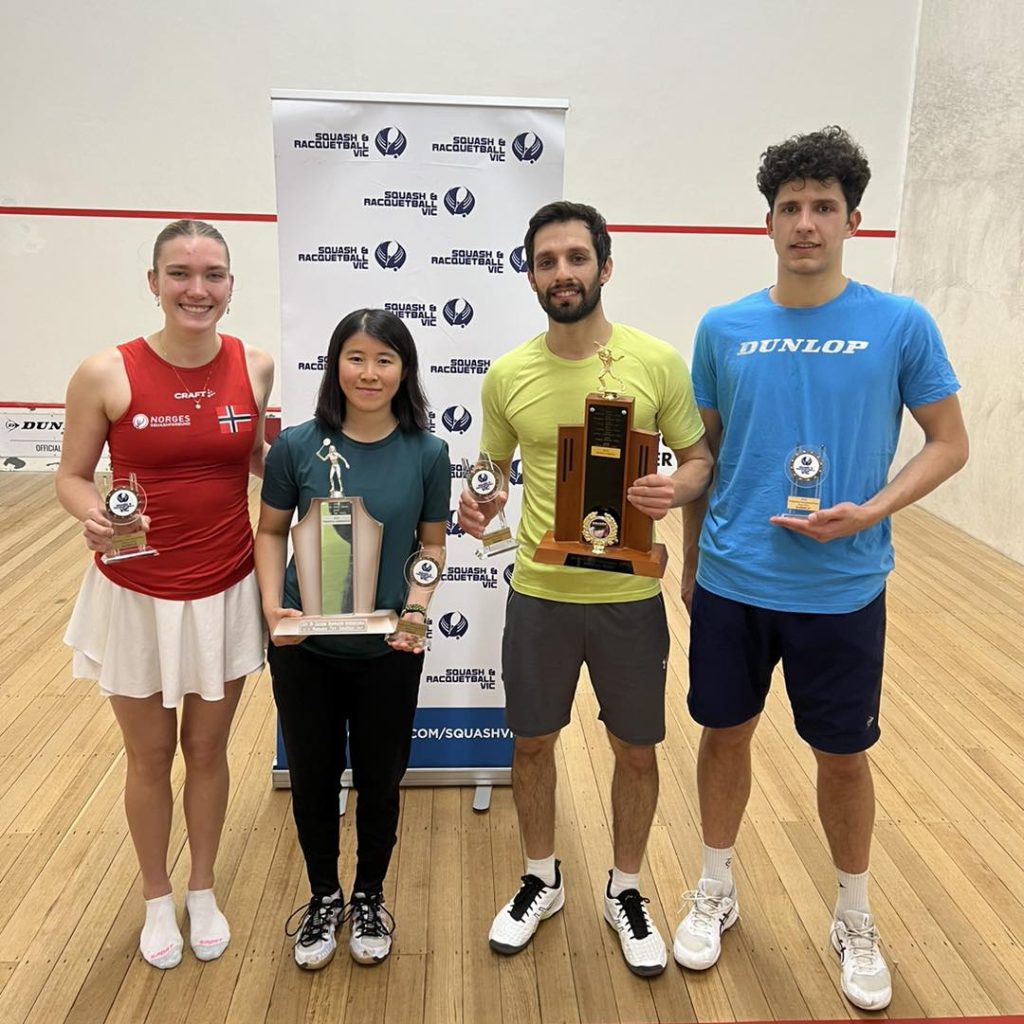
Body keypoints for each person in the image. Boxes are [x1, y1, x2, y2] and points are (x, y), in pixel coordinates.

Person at [673, 127, 969, 1010]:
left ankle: (854, 913)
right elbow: (708, 456)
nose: (806, 223)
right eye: (791, 207)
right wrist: (691, 560)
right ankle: (716, 887)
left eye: (823, 207)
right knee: (723, 736)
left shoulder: (899, 323)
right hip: (732, 581)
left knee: (842, 756)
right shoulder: (723, 328)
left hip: (843, 590)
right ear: (767, 223)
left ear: (853, 221)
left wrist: (871, 511)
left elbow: (949, 443)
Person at [459, 201, 713, 976]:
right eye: (547, 261)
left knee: (636, 752)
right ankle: (543, 878)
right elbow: (490, 471)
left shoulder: (659, 362)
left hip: (629, 599)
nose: (562, 273)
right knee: (531, 745)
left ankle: (626, 889)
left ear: (605, 266)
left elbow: (700, 457)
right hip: (540, 593)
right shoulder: (508, 374)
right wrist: (481, 501)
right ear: (531, 274)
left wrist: (677, 484)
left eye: (576, 258)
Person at [57, 220, 274, 969]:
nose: (197, 289)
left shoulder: (257, 366)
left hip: (225, 587)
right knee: (149, 757)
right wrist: (93, 514)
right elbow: (72, 475)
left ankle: (203, 888)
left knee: (207, 751)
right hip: (135, 590)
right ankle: (157, 896)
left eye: (213, 274)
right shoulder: (105, 372)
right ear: (153, 283)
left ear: (230, 286)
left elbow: (255, 464)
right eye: (179, 273)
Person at [255, 308, 449, 970]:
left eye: (384, 360)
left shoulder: (429, 453)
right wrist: (271, 612)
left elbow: (431, 549)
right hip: (304, 651)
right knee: (311, 777)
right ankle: (322, 896)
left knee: (380, 779)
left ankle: (368, 894)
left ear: (404, 371)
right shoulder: (296, 446)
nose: (369, 372)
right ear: (336, 364)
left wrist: (418, 610)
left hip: (386, 654)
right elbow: (270, 533)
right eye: (356, 357)